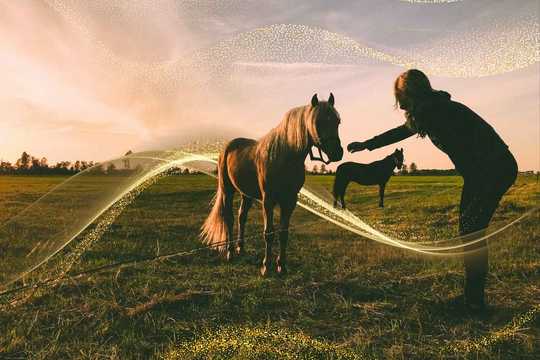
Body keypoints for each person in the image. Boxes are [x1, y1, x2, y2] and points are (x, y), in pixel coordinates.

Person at [348, 69, 517, 311]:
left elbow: (401, 131)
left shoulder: (433, 110)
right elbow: (404, 130)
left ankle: (474, 302)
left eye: (400, 97)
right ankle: (473, 298)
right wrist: (368, 145)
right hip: (481, 173)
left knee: (471, 233)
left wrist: (368, 144)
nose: (400, 105)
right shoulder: (433, 107)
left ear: (410, 93)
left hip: (493, 169)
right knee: (469, 232)